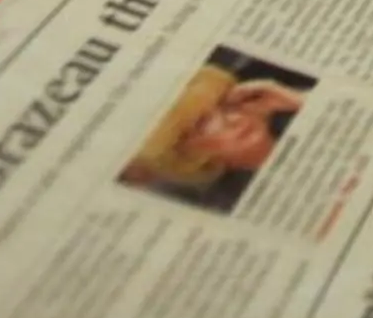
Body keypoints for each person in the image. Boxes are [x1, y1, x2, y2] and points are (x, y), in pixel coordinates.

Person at [120, 59, 308, 210]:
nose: (234, 119)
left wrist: (303, 102)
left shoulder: (292, 110)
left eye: (226, 103)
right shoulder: (233, 203)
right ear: (186, 152)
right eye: (203, 123)